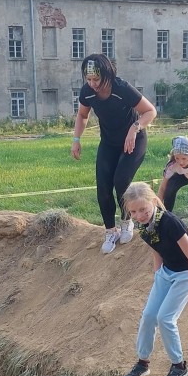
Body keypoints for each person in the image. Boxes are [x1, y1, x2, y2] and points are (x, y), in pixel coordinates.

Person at [120, 182, 188, 376]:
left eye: (143, 209)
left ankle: (179, 367)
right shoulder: (143, 227)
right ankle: (142, 363)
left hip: (187, 270)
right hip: (167, 270)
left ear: (153, 202)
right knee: (149, 315)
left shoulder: (169, 223)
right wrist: (158, 275)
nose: (139, 215)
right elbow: (156, 249)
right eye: (133, 212)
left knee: (165, 318)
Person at [71, 54, 157, 254]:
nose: (92, 84)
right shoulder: (87, 92)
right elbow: (82, 115)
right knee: (103, 187)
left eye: (96, 79)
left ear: (107, 75)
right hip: (109, 143)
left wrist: (135, 128)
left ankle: (127, 221)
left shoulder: (122, 88)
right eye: (88, 79)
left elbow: (150, 111)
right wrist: (76, 139)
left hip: (133, 140)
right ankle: (111, 231)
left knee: (121, 181)